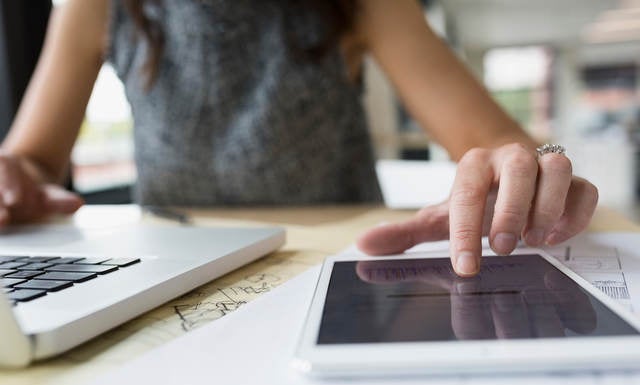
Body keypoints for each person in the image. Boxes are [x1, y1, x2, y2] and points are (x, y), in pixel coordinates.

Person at [0, 0, 598, 277]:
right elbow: (32, 160)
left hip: (337, 263)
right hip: (171, 268)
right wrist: (12, 176)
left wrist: (530, 163)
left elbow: (496, 142)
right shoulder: (96, 6)